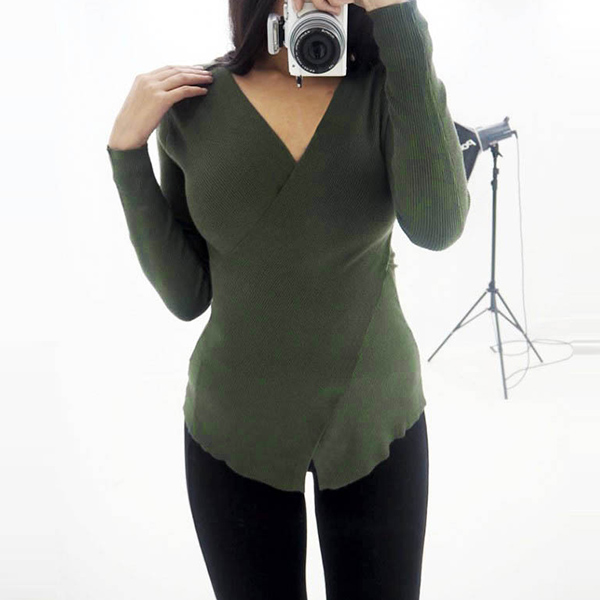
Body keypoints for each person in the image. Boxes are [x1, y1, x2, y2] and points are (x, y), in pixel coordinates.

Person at [107, 0, 470, 598]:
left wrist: (400, 20)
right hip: (234, 429)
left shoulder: (387, 89)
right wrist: (127, 155)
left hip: (376, 420)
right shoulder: (194, 105)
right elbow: (186, 294)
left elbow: (438, 226)